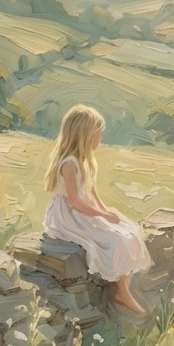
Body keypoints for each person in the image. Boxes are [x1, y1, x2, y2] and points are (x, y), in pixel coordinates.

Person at [43, 105, 151, 316]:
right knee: (115, 239)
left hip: (84, 211)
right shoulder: (69, 163)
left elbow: (91, 194)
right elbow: (74, 200)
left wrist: (105, 211)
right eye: (97, 133)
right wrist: (100, 215)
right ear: (85, 135)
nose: (100, 137)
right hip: (69, 216)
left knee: (129, 230)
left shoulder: (84, 162)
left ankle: (123, 289)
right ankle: (121, 292)